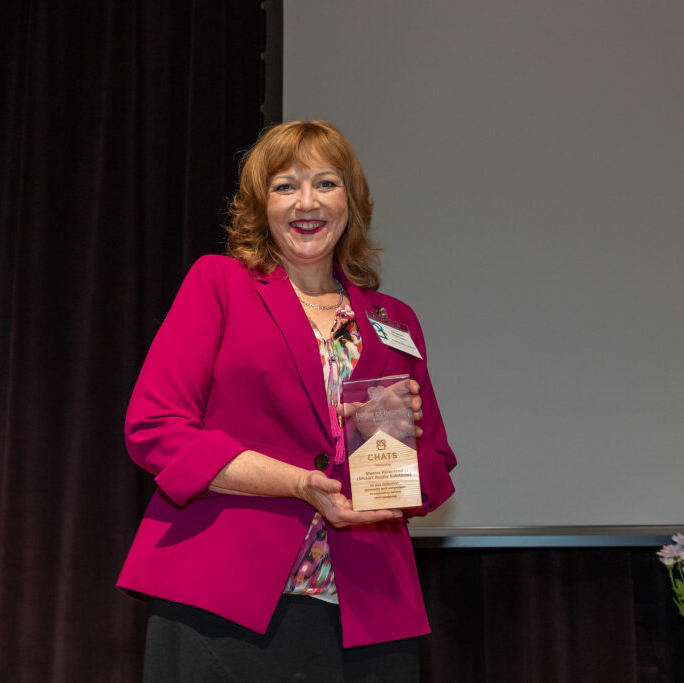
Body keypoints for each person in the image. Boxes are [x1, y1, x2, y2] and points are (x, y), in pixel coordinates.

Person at [118, 121, 456, 681]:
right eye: (284, 186)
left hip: (366, 613)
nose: (307, 202)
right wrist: (299, 483)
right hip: (222, 598)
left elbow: (434, 469)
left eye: (325, 183)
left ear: (350, 201)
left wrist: (384, 446)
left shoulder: (394, 320)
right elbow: (156, 427)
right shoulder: (219, 283)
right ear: (261, 206)